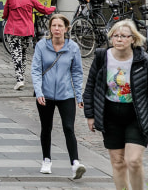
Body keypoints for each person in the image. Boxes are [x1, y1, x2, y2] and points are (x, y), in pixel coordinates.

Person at [84, 20, 148, 190]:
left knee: (133, 161)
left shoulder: (143, 61)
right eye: (115, 36)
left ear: (133, 39)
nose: (119, 39)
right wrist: (90, 115)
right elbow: (90, 86)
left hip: (136, 116)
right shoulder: (101, 57)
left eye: (123, 36)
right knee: (118, 162)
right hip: (110, 116)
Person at [31, 14, 86, 179]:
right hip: (45, 94)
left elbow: (76, 72)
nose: (56, 29)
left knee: (69, 127)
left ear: (66, 29)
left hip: (66, 94)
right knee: (46, 128)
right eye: (54, 26)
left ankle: (75, 163)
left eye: (60, 26)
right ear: (50, 28)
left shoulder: (73, 48)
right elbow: (35, 70)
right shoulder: (41, 45)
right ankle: (46, 160)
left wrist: (79, 95)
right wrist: (39, 92)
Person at [3, 0, 56, 90]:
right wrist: (53, 8)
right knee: (23, 53)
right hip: (27, 30)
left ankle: (19, 79)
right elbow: (43, 10)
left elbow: (5, 14)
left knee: (16, 54)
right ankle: (21, 77)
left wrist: (5, 17)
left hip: (13, 30)